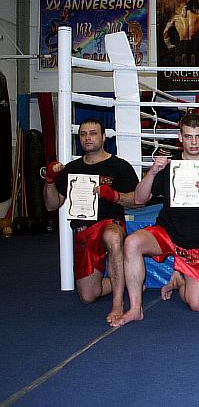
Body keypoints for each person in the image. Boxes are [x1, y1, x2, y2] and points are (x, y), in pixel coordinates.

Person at [113, 113, 199, 327]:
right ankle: (135, 308)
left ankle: (178, 278)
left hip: (197, 242)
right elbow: (139, 198)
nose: (193, 142)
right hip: (166, 232)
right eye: (188, 137)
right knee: (132, 242)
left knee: (196, 304)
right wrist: (152, 172)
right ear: (180, 137)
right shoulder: (168, 165)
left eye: (198, 136)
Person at [43, 118, 139, 324]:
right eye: (84, 134)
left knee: (113, 237)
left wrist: (114, 196)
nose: (88, 138)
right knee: (88, 295)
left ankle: (118, 304)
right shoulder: (70, 169)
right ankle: (132, 280)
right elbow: (51, 205)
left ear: (103, 137)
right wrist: (50, 181)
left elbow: (137, 201)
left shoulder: (119, 166)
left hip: (110, 223)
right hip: (84, 231)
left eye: (93, 133)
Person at [162, 0, 199, 66]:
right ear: (195, 8)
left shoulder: (176, 18)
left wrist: (169, 45)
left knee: (180, 72)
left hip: (180, 48)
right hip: (195, 47)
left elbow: (165, 32)